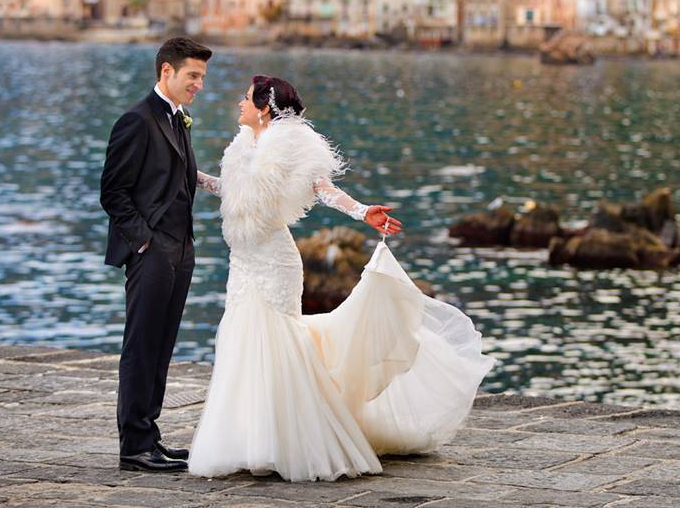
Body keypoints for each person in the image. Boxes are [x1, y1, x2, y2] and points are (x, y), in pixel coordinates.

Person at [188, 74, 494, 481]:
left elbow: (322, 188)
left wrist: (363, 211)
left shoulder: (292, 146)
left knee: (277, 344)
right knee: (242, 342)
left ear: (264, 107)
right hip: (242, 260)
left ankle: (289, 442)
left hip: (275, 263)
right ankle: (252, 440)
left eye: (246, 99)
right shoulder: (242, 146)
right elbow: (231, 191)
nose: (239, 105)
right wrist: (191, 175)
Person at [100, 37, 212, 473]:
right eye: (193, 76)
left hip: (181, 248)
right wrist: (144, 241)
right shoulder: (136, 120)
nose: (199, 85)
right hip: (151, 250)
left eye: (202, 77)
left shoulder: (178, 118)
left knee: (162, 345)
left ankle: (151, 434)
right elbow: (113, 191)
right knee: (141, 345)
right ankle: (133, 447)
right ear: (166, 71)